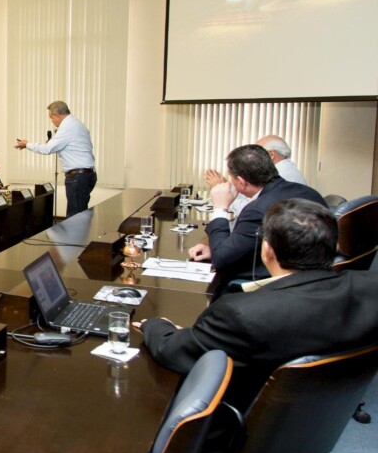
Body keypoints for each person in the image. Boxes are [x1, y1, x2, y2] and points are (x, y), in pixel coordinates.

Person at [137, 199, 378, 413]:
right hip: (324, 415)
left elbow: (174, 351)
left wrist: (157, 325)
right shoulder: (371, 289)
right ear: (334, 247)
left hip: (245, 425)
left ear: (267, 250)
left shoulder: (242, 314)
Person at [188, 144, 326, 294]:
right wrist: (215, 248)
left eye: (231, 177)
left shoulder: (257, 209)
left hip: (274, 284)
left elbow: (221, 260)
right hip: (316, 279)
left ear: (241, 182)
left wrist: (220, 209)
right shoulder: (309, 192)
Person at [15, 101, 96, 217]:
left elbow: (47, 149)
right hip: (86, 175)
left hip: (78, 178)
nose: (51, 121)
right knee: (79, 215)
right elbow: (73, 147)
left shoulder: (67, 127)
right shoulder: (76, 124)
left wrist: (27, 144)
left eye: (51, 117)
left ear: (58, 115)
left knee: (75, 218)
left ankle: (75, 236)